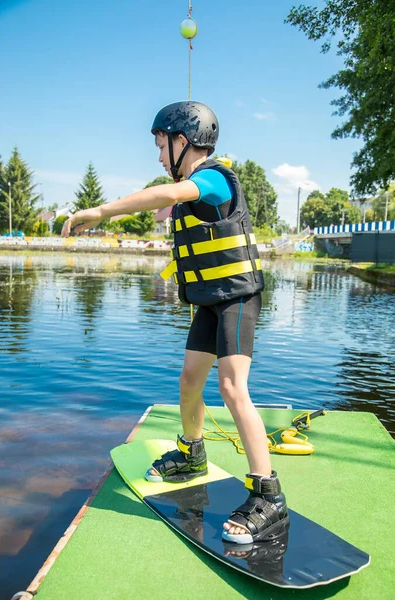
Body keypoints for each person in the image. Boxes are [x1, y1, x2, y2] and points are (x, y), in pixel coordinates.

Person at [61, 101, 289, 544]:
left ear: (183, 142)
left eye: (161, 145)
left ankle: (269, 495)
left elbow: (166, 195)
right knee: (189, 380)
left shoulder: (214, 178)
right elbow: (171, 207)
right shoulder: (191, 186)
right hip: (208, 300)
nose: (159, 156)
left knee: (231, 387)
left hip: (237, 298)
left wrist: (101, 211)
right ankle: (192, 453)